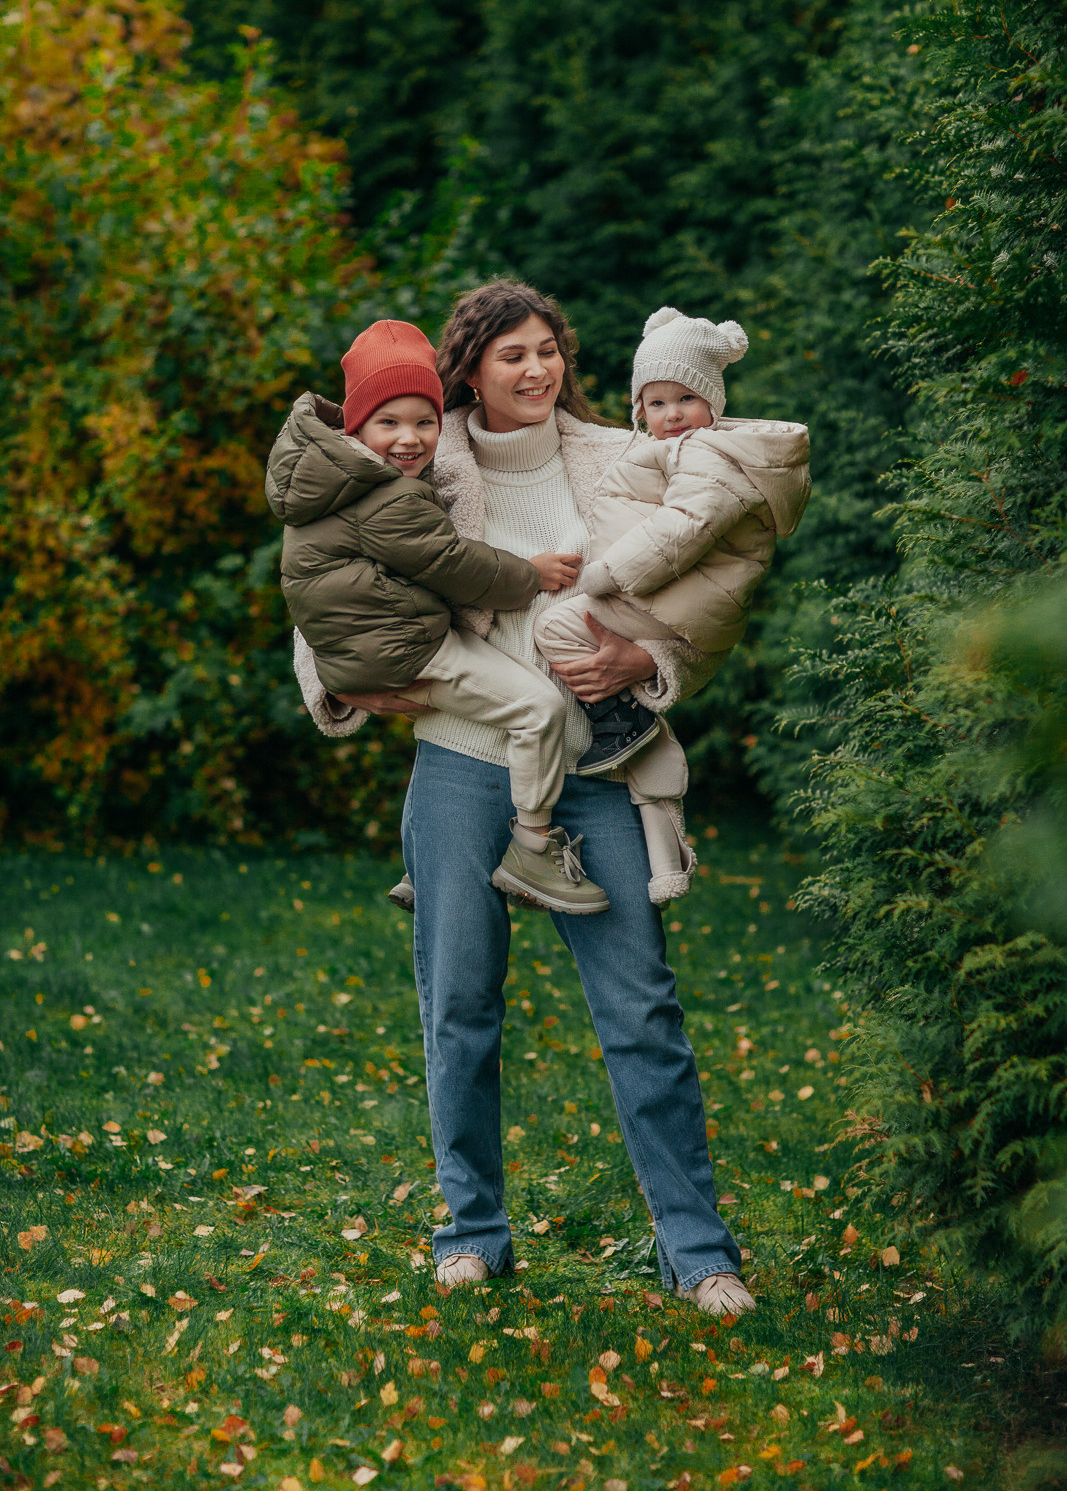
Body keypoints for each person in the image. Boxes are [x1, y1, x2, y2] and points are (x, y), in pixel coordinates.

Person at [292, 280, 755, 1314]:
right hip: (460, 766)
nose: (537, 369)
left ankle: (697, 1251)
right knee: (458, 1007)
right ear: (470, 368)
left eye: (548, 349)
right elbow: (324, 575)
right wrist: (339, 683)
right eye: (513, 355)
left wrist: (645, 658)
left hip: (595, 773)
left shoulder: (613, 456)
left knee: (641, 1010)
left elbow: (706, 579)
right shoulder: (416, 449)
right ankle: (472, 1231)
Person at [266, 317, 630, 915]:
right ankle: (532, 850)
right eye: (389, 422)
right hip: (405, 651)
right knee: (538, 709)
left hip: (389, 642)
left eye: (423, 422)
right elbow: (452, 563)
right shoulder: (388, 494)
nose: (410, 438)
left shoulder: (336, 479)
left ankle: (428, 861)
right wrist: (530, 574)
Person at [534, 306, 811, 888]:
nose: (671, 415)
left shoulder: (705, 453)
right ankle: (666, 861)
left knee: (554, 629)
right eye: (655, 405)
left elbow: (679, 532)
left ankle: (619, 718)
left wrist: (603, 574)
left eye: (686, 399)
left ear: (714, 403)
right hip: (665, 605)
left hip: (654, 601)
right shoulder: (678, 449)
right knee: (641, 747)